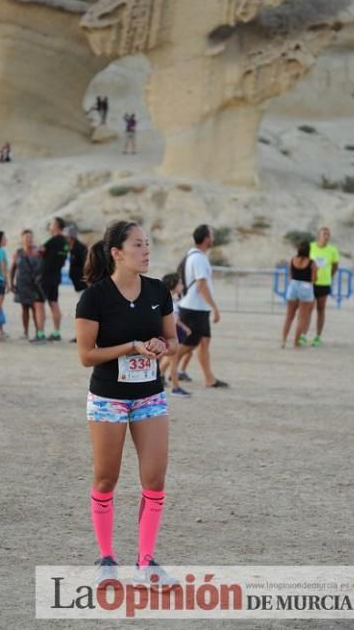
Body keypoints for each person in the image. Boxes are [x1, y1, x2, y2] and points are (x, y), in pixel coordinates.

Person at [75, 221, 178, 584]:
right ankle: (106, 559)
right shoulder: (95, 297)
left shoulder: (158, 291)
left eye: (148, 244)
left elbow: (172, 339)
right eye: (138, 245)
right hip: (107, 399)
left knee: (155, 479)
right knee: (106, 479)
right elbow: (87, 355)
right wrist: (132, 347)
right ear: (117, 253)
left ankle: (146, 560)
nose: (146, 251)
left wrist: (162, 346)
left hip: (150, 395)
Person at [176, 225, 229, 388]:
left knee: (204, 342)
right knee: (189, 344)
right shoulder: (199, 258)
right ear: (206, 238)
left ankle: (209, 378)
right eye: (211, 235)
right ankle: (159, 371)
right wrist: (214, 307)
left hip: (197, 307)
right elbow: (201, 284)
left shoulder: (194, 255)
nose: (213, 238)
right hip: (194, 308)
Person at [10, 229, 46, 344]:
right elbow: (12, 269)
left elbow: (45, 266)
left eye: (30, 237)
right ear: (22, 239)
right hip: (22, 284)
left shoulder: (39, 251)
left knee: (35, 308)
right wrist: (11, 283)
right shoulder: (18, 252)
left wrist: (41, 277)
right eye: (26, 237)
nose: (29, 239)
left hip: (35, 285)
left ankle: (38, 332)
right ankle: (25, 332)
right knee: (24, 308)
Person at [305, 227, 340, 346]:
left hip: (324, 284)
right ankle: (303, 335)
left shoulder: (332, 250)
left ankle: (317, 337)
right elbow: (304, 261)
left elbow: (335, 265)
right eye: (324, 233)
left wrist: (330, 275)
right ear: (318, 235)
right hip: (310, 283)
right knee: (308, 310)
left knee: (321, 309)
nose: (327, 235)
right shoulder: (311, 247)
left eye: (328, 234)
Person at [160, 273, 193, 396]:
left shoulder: (174, 299)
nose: (182, 285)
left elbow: (175, 318)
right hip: (170, 334)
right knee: (173, 361)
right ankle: (175, 387)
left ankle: (162, 379)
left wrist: (184, 327)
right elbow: (170, 320)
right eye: (179, 283)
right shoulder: (168, 300)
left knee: (171, 360)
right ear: (173, 285)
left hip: (174, 332)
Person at [281, 241, 317, 348]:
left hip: (293, 286)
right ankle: (296, 342)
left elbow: (290, 275)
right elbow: (314, 279)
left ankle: (283, 341)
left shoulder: (293, 260)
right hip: (305, 287)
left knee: (289, 316)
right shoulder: (312, 262)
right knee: (302, 318)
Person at [40, 217, 69, 341]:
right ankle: (56, 332)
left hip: (45, 276)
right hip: (56, 276)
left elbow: (39, 251)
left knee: (39, 304)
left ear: (57, 226)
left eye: (51, 224)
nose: (49, 226)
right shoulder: (65, 242)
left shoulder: (53, 240)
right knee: (54, 303)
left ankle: (40, 333)